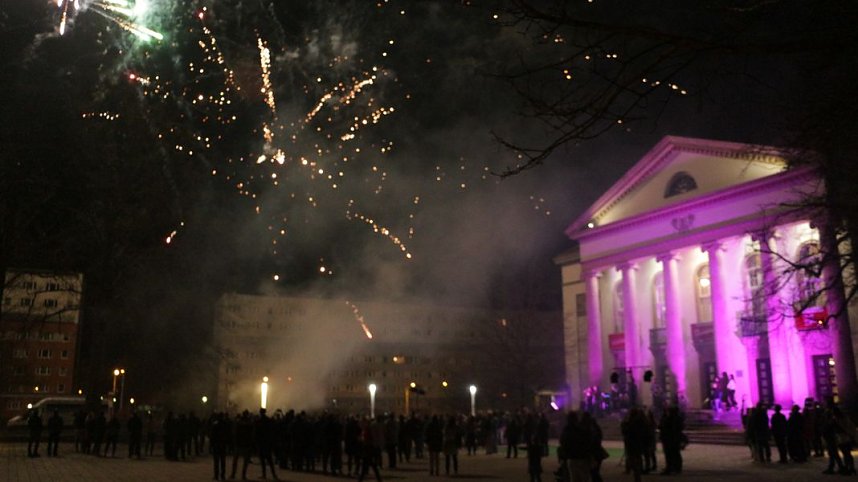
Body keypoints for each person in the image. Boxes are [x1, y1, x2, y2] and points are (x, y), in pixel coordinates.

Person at [560, 411, 592, 482]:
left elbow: (563, 444)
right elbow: (587, 443)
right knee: (584, 478)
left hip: (572, 458)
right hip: (581, 458)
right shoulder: (580, 430)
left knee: (574, 478)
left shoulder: (566, 431)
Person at [659, 406, 684, 475]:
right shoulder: (677, 418)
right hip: (673, 439)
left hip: (670, 439)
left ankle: (670, 467)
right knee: (675, 453)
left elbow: (664, 427)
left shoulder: (671, 419)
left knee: (670, 454)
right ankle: (676, 467)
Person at [209, 413, 229, 481]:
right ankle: (222, 475)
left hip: (216, 444)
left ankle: (216, 475)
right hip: (222, 444)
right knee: (223, 461)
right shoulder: (225, 424)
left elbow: (212, 436)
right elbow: (227, 434)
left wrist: (211, 445)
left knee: (216, 461)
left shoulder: (215, 424)